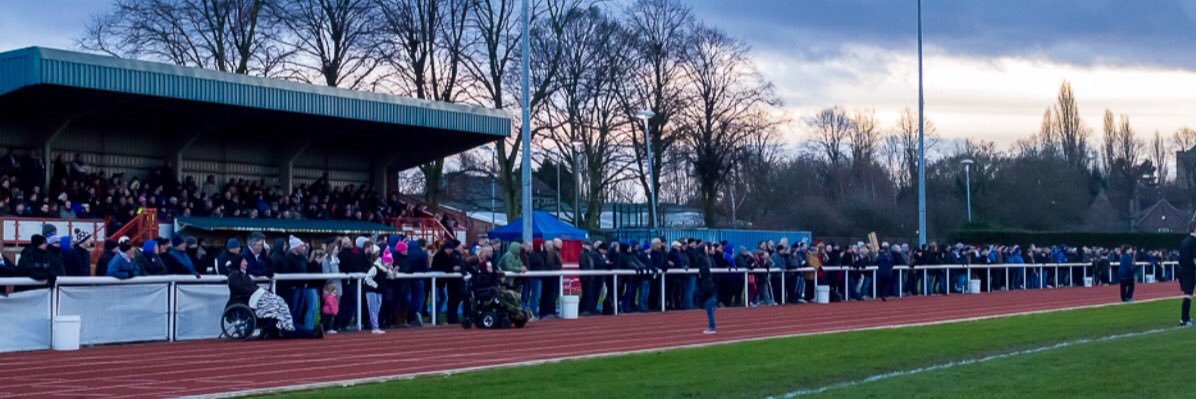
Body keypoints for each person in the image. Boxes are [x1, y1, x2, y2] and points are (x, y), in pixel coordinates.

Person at [226, 255, 322, 339]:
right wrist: (258, 291)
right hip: (250, 301)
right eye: (244, 261)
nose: (246, 263)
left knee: (281, 307)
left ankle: (304, 331)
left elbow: (250, 287)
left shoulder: (243, 275)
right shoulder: (234, 277)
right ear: (238, 263)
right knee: (279, 309)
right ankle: (307, 332)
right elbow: (242, 289)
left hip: (256, 299)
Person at [364, 247, 394, 334]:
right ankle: (375, 327)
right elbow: (367, 278)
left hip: (379, 291)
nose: (389, 265)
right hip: (371, 291)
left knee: (377, 309)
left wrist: (394, 271)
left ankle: (375, 325)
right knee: (373, 309)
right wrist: (376, 285)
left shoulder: (385, 269)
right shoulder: (375, 268)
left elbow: (392, 276)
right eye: (389, 263)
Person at [1178, 220, 1196, 327]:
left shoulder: (1184, 241)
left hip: (1182, 269)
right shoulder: (1194, 241)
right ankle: (1184, 319)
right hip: (1189, 270)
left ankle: (1186, 317)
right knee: (1188, 295)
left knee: (1188, 294)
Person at [699, 242, 717, 335]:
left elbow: (705, 269)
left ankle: (712, 327)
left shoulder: (707, 258)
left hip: (708, 284)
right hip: (706, 284)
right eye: (705, 248)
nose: (707, 249)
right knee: (709, 306)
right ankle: (711, 326)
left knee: (710, 307)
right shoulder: (702, 258)